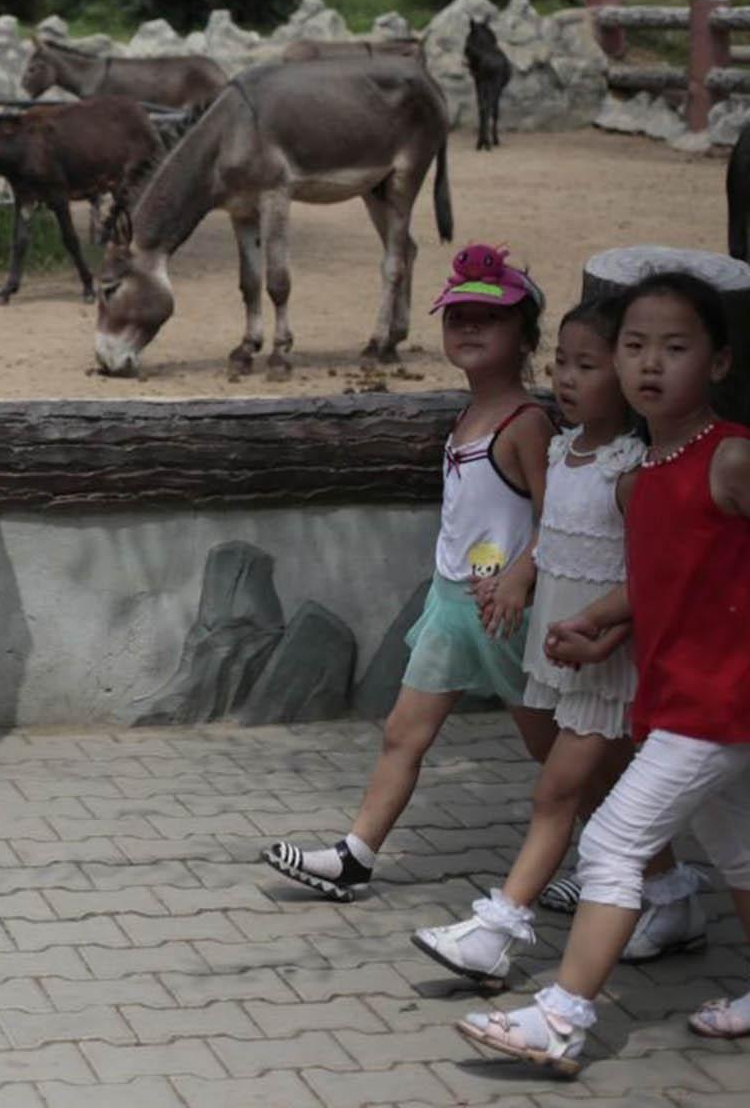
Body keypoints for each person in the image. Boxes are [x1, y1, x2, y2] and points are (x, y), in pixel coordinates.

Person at [459, 271, 750, 1075]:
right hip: (681, 700)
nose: (650, 364)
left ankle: (562, 1017)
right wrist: (602, 626)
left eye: (676, 347)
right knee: (740, 852)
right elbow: (670, 582)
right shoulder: (650, 472)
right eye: (634, 347)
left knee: (614, 843)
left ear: (719, 362)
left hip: (714, 704)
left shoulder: (728, 456)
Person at [412, 300, 696, 981]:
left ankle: (496, 930)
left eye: (588, 365)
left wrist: (608, 638)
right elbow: (555, 538)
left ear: (625, 376)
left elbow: (650, 577)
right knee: (606, 782)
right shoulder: (564, 451)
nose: (568, 378)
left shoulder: (631, 470)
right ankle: (674, 898)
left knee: (556, 795)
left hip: (605, 665)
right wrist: (518, 578)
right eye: (562, 362)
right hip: (560, 654)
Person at [264, 243, 556, 898]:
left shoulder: (525, 422)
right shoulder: (467, 417)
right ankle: (356, 854)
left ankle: (649, 870)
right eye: (456, 319)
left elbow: (558, 518)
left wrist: (518, 577)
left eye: (490, 319)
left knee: (554, 751)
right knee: (402, 733)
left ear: (526, 335)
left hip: (502, 612)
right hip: (453, 607)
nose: (469, 329)